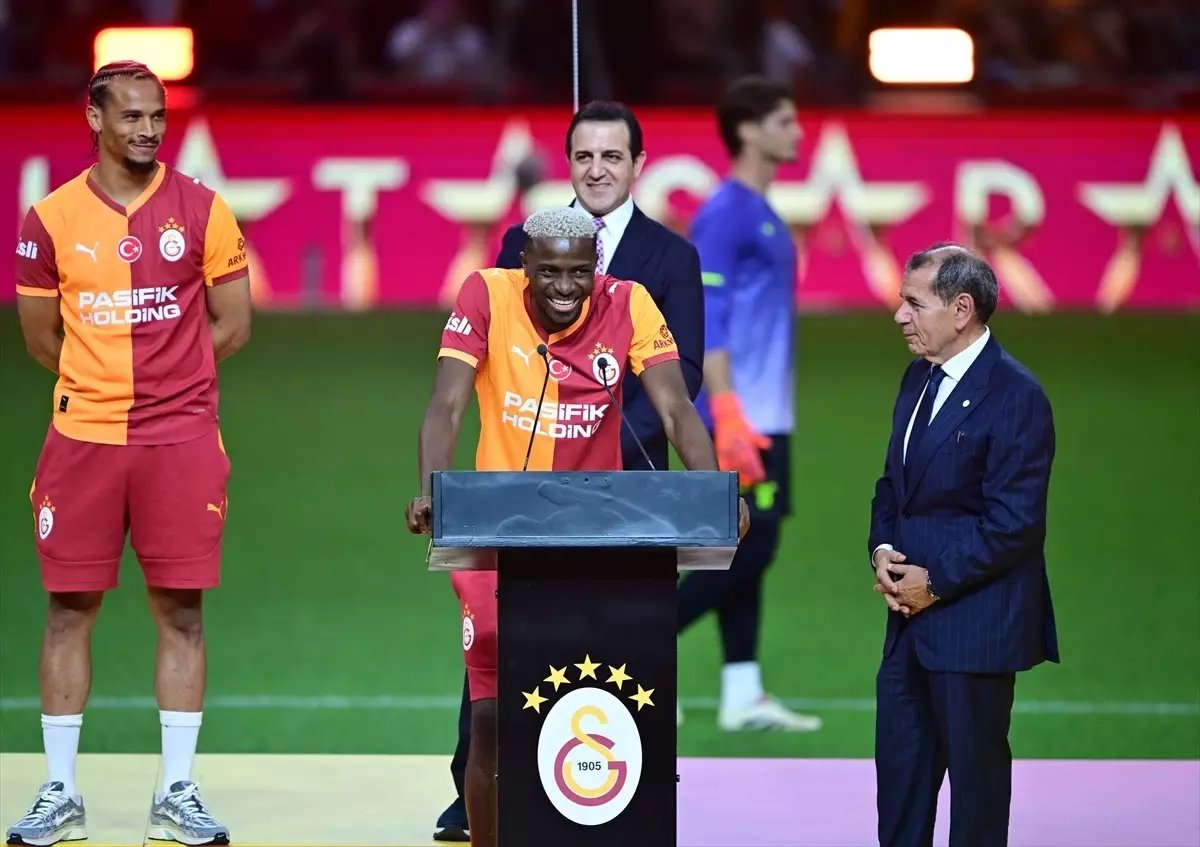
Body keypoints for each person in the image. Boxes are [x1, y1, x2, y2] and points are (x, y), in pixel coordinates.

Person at [406, 207, 747, 847]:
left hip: (596, 541)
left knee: (596, 701)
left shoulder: (631, 302)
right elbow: (446, 404)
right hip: (497, 537)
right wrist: (430, 490)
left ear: (596, 267)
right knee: (490, 721)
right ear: (524, 265)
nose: (564, 288)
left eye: (578, 273)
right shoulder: (485, 294)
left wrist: (713, 493)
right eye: (549, 273)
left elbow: (676, 409)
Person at [434, 99, 705, 841]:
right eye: (584, 155)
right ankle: (477, 804)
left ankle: (597, 811)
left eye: (612, 156)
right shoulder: (508, 261)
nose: (597, 169)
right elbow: (478, 371)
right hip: (510, 506)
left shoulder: (665, 263)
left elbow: (682, 386)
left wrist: (600, 432)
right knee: (493, 687)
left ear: (637, 164)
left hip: (620, 497)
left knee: (608, 677)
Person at [8, 61, 250, 846]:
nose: (148, 130)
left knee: (181, 612)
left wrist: (167, 385)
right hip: (83, 438)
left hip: (180, 438)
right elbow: (40, 337)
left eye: (157, 117)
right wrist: (107, 382)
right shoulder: (49, 219)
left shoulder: (204, 209)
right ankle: (59, 791)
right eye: (131, 116)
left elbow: (233, 323)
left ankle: (176, 791)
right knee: (67, 610)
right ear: (94, 118)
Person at [869, 243, 1059, 847]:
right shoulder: (917, 377)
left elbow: (1015, 522)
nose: (900, 315)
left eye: (913, 303)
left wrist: (935, 581)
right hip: (907, 628)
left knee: (976, 800)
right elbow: (892, 484)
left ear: (961, 309)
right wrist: (882, 550)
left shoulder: (1016, 395)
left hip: (975, 628)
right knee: (900, 789)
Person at [677, 76, 820, 732]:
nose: (798, 132)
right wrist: (727, 411)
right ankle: (635, 646)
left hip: (764, 411)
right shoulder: (727, 213)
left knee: (743, 548)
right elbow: (708, 315)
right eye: (785, 121)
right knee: (750, 548)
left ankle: (742, 692)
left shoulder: (759, 209)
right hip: (740, 416)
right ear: (748, 130)